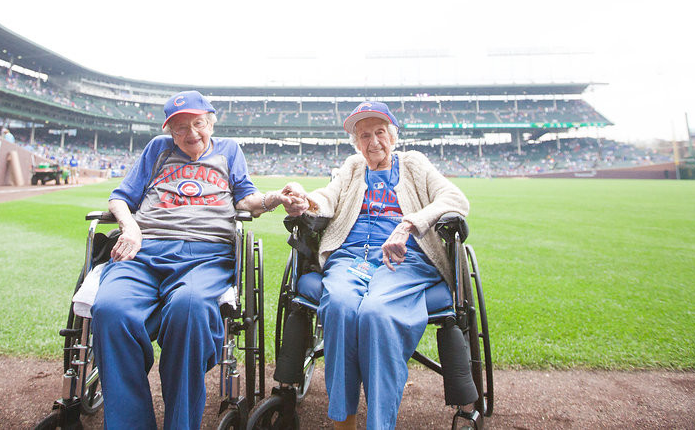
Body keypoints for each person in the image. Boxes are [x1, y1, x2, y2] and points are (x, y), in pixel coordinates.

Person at [91, 90, 303, 430]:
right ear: (169, 131)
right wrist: (129, 227)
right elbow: (120, 198)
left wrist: (278, 198)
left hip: (204, 256)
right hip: (144, 251)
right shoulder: (157, 150)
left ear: (211, 121)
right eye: (179, 128)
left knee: (189, 310)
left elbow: (248, 200)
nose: (190, 134)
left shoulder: (229, 150)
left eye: (198, 123)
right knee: (110, 310)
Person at [282, 101, 471, 430]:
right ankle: (344, 420)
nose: (373, 142)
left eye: (380, 132)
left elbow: (456, 200)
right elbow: (327, 198)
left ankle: (381, 424)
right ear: (356, 142)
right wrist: (304, 197)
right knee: (339, 306)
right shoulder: (353, 167)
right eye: (364, 135)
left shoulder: (413, 164)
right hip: (350, 258)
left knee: (376, 313)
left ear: (393, 135)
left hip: (404, 259)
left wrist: (410, 224)